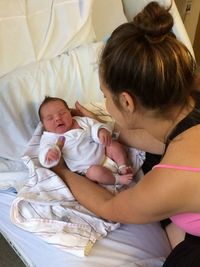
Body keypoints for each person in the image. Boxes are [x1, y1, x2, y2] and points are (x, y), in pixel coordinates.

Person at [52, 2, 200, 266]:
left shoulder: (170, 180)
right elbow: (159, 141)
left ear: (127, 102)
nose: (104, 103)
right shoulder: (190, 96)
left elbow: (110, 208)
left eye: (104, 96)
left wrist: (61, 170)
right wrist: (100, 126)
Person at [38, 96, 134, 186]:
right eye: (50, 118)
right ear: (44, 125)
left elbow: (95, 125)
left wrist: (101, 131)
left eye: (62, 113)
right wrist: (49, 154)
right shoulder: (49, 137)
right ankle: (117, 179)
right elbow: (43, 151)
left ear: (70, 112)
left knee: (113, 145)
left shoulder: (80, 121)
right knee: (96, 173)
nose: (58, 118)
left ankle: (123, 166)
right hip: (87, 169)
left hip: (104, 152)